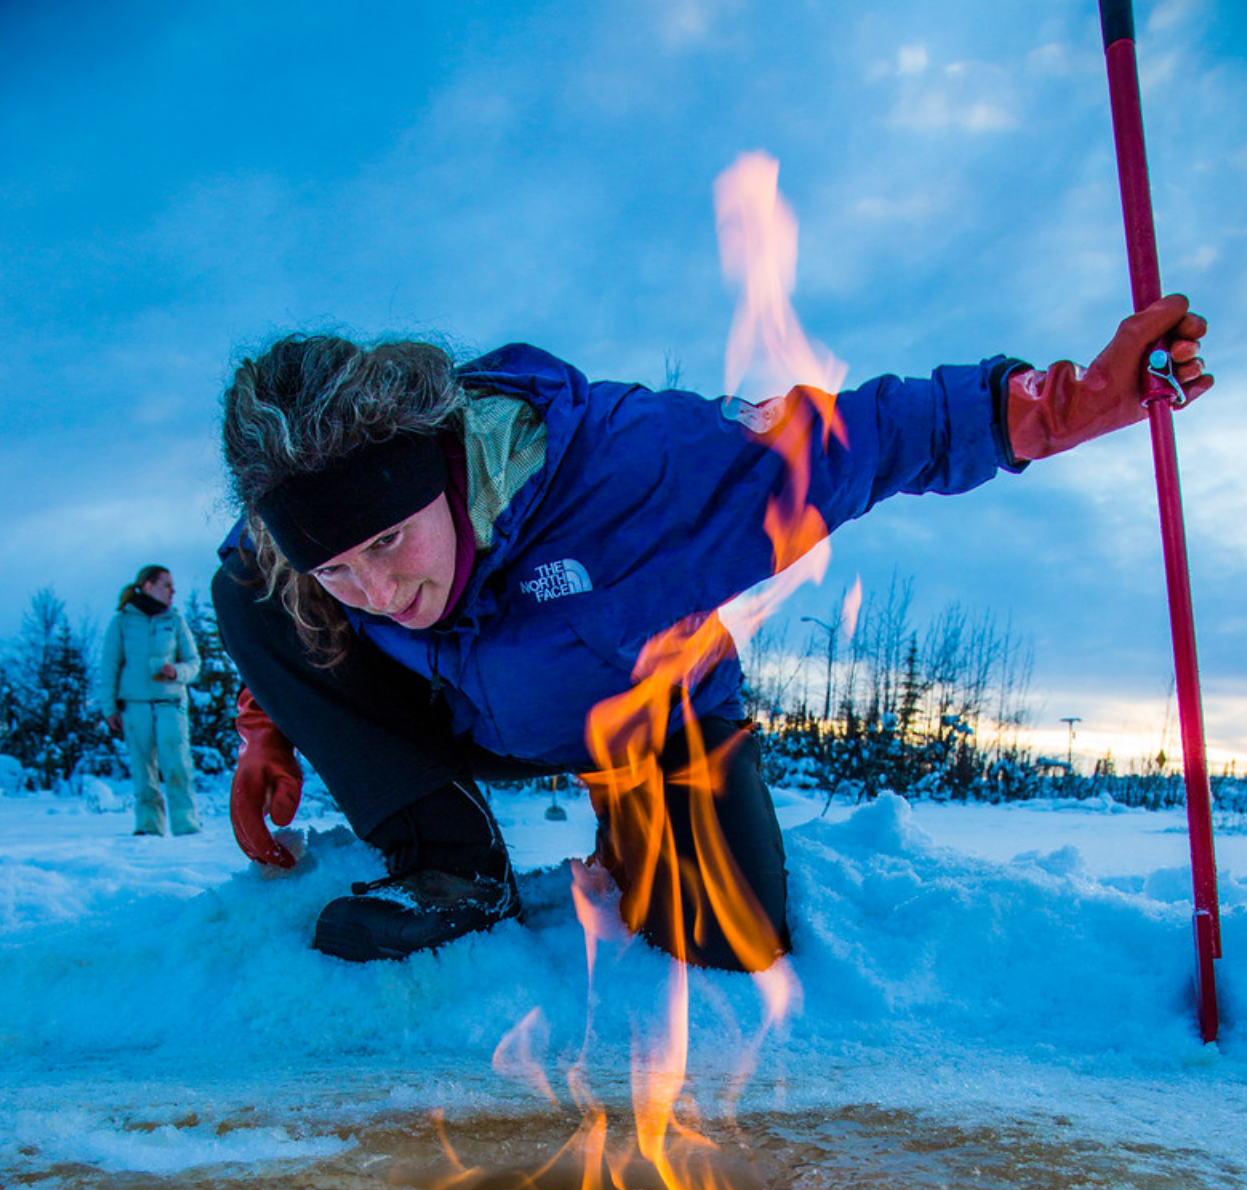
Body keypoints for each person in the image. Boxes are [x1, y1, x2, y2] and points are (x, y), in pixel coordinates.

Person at [212, 295, 1210, 970]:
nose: (378, 590)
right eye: (337, 568)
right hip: (463, 714)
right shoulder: (295, 550)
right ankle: (451, 865)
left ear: (437, 463)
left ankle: (645, 821)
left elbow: (867, 436)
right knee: (245, 592)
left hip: (652, 718)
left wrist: (1064, 406)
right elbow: (287, 609)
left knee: (724, 946)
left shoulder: (641, 476)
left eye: (390, 540)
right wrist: (271, 733)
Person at [99, 565, 202, 836]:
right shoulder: (122, 621)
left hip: (170, 702)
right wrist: (109, 708)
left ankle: (187, 826)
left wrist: (177, 671)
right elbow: (109, 666)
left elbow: (194, 663)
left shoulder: (176, 621)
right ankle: (148, 826)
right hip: (134, 705)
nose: (172, 591)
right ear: (148, 586)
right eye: (166, 584)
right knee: (143, 767)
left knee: (177, 763)